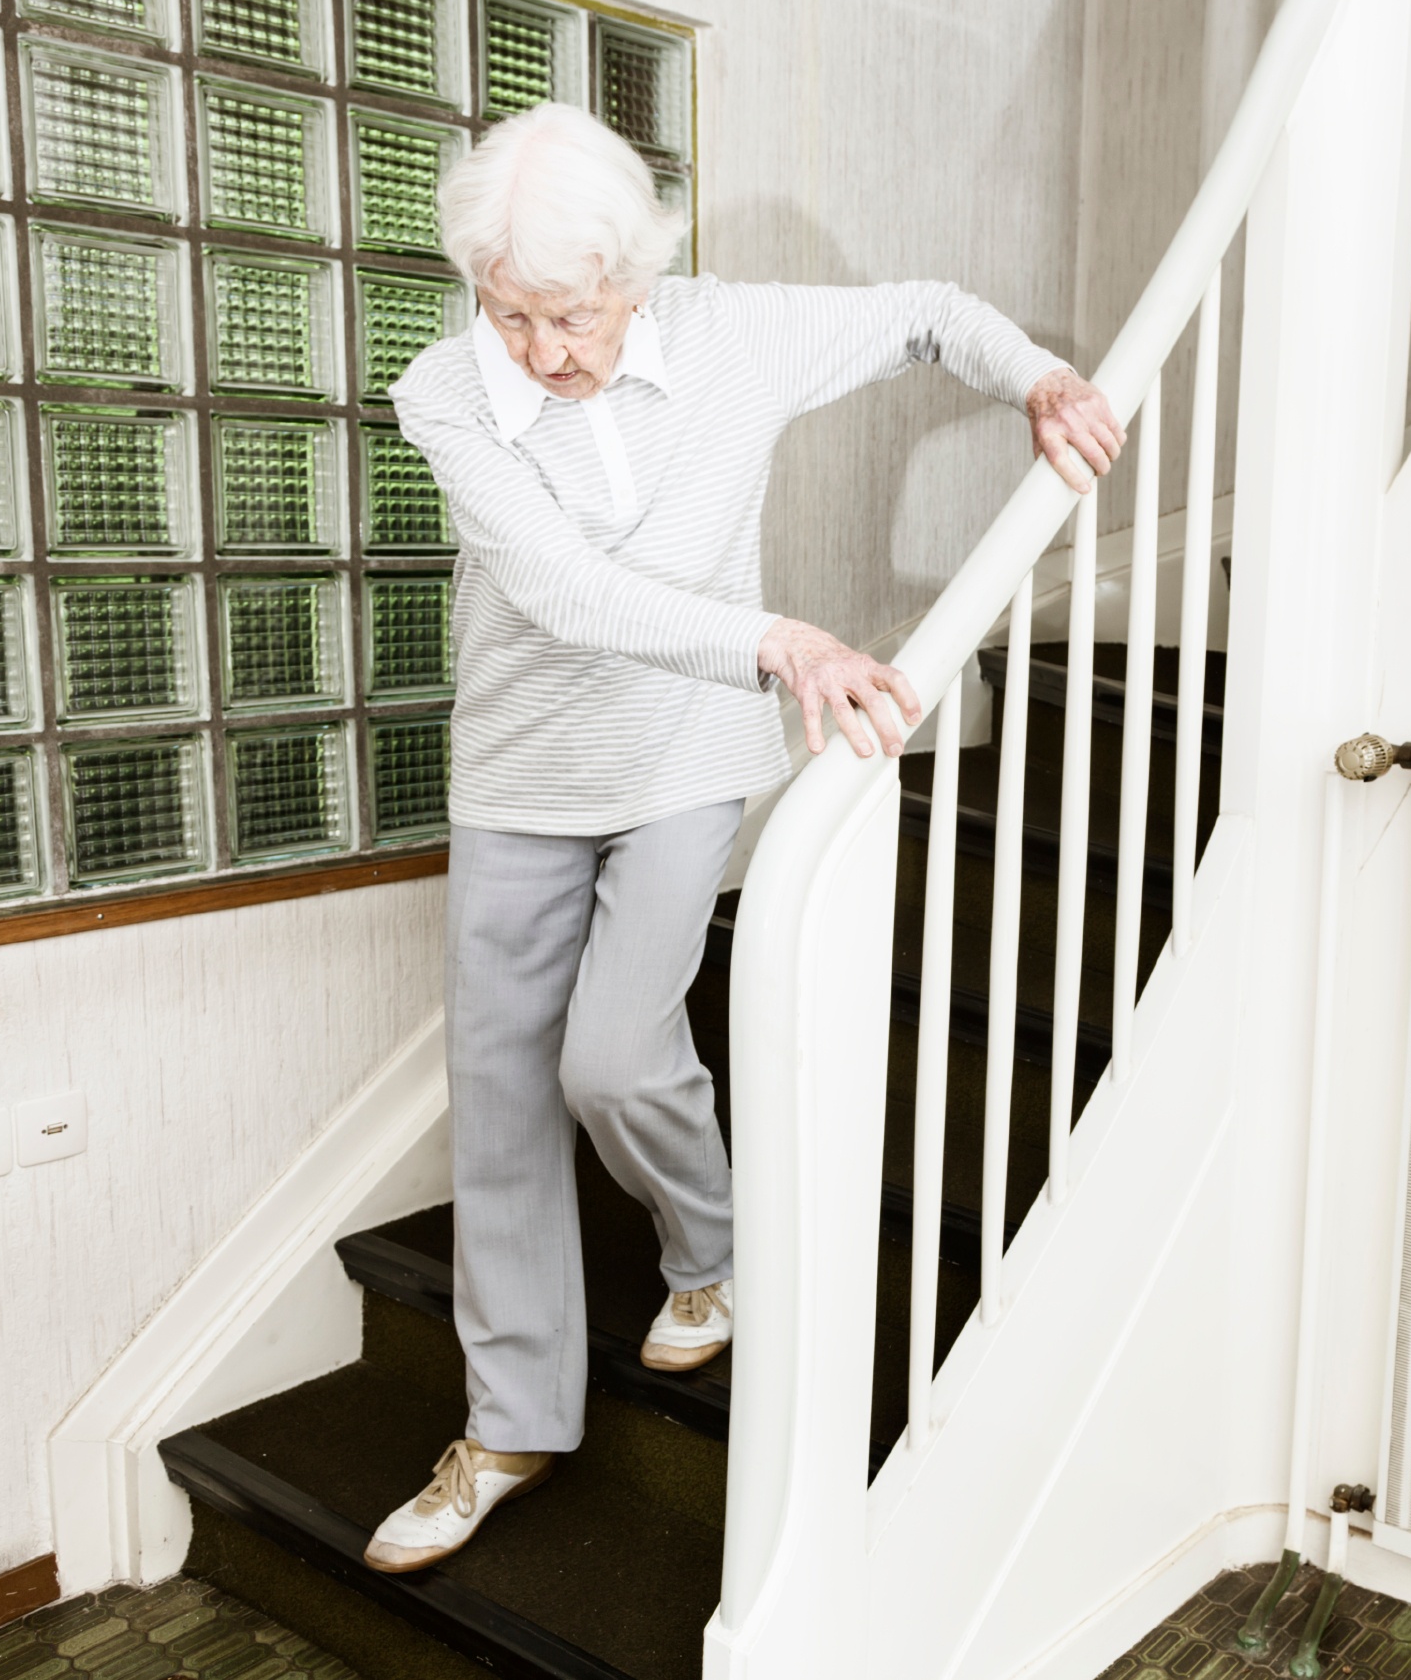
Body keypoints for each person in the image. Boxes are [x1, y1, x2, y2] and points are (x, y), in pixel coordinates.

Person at [360, 101, 1123, 1573]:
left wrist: (1037, 375)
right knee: (504, 1096)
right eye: (509, 313)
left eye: (571, 315)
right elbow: (567, 593)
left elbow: (925, 318)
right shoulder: (443, 393)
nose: (541, 351)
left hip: (684, 759)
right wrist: (778, 638)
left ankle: (709, 1254)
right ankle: (511, 1418)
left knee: (615, 1055)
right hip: (520, 775)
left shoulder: (732, 335)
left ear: (637, 275)